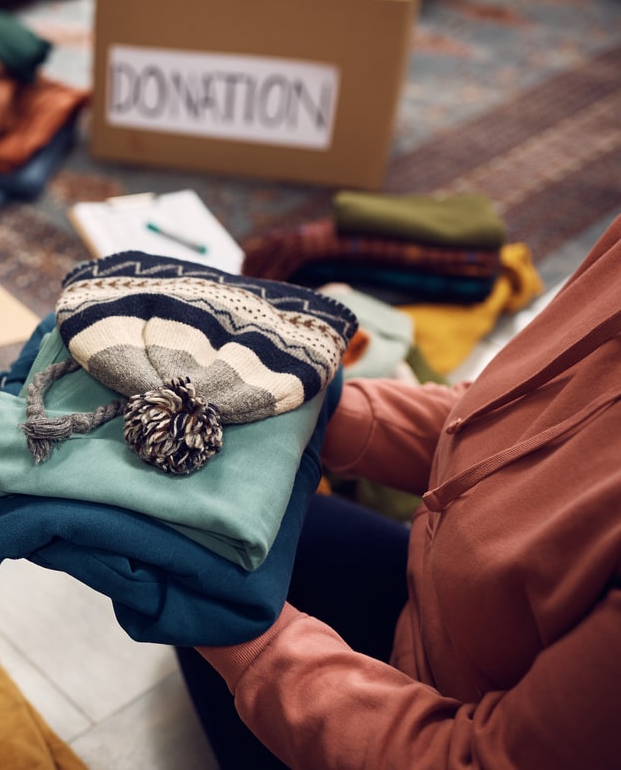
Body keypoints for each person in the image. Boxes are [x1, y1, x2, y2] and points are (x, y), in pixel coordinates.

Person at [175, 213, 621, 769]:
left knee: (194, 550)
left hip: (452, 728)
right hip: (431, 603)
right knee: (211, 517)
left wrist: (249, 643)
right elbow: (513, 416)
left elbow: (475, 759)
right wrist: (309, 408)